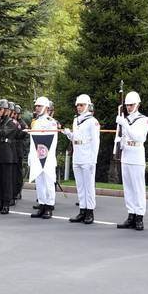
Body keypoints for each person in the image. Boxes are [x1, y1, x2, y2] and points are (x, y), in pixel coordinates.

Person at [115, 91, 148, 231]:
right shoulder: (125, 119)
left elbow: (139, 137)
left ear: (138, 104)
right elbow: (122, 137)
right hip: (126, 155)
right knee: (128, 188)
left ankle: (139, 217)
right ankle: (131, 215)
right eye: (127, 105)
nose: (129, 107)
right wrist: (118, 143)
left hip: (136, 155)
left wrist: (124, 124)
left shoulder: (143, 119)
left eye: (132, 105)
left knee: (138, 188)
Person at [62, 94, 100, 224]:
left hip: (88, 156)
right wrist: (69, 135)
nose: (79, 107)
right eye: (77, 105)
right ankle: (82, 210)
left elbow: (96, 141)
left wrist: (93, 159)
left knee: (89, 186)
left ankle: (90, 211)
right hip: (77, 155)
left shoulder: (92, 121)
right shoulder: (76, 120)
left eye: (81, 105)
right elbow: (76, 138)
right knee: (80, 185)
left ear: (88, 106)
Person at [29, 96, 59, 219]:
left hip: (48, 156)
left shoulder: (51, 122)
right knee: (40, 182)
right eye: (36, 106)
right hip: (37, 155)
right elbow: (32, 140)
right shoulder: (35, 122)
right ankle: (41, 205)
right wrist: (32, 155)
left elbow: (52, 140)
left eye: (39, 106)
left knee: (48, 182)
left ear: (46, 107)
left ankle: (49, 206)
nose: (37, 108)